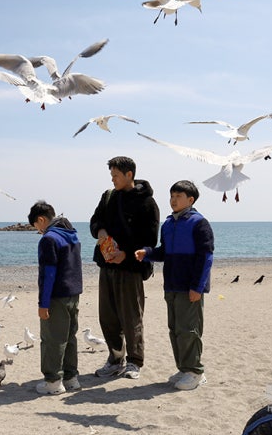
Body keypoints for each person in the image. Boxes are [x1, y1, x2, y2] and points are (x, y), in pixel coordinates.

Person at [135, 180, 214, 390]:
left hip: (190, 287)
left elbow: (206, 257)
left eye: (178, 196)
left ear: (191, 200)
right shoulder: (168, 224)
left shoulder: (199, 223)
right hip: (171, 285)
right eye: (171, 196)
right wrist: (147, 253)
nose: (173, 200)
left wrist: (197, 287)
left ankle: (195, 372)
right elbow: (164, 252)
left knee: (189, 330)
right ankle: (184, 368)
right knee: (175, 330)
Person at [90, 156, 160, 380]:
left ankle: (134, 362)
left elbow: (150, 240)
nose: (112, 179)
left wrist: (126, 254)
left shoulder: (147, 203)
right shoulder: (108, 196)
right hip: (106, 265)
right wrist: (100, 232)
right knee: (107, 317)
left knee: (131, 317)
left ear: (129, 174)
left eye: (116, 175)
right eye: (111, 175)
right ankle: (115, 359)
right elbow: (95, 220)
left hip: (131, 268)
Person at [28, 200, 83, 395]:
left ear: (41, 220)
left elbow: (48, 274)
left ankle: (53, 381)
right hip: (73, 294)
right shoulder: (72, 234)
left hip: (57, 296)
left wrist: (43, 304)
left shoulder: (49, 239)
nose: (38, 230)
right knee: (70, 337)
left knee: (52, 339)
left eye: (36, 226)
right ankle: (71, 378)